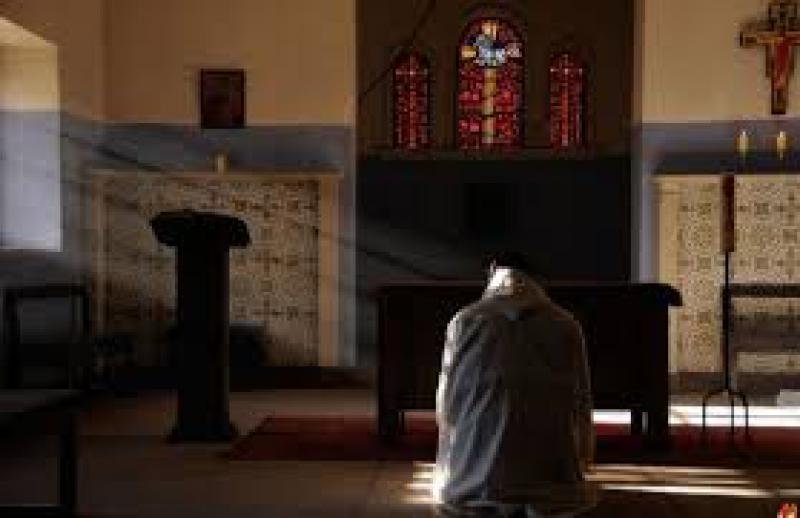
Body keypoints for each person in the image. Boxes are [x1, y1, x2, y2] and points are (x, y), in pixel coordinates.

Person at [432, 253, 595, 517]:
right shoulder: (565, 323)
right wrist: (582, 454)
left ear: (492, 273)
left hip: (476, 473)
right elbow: (580, 399)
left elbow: (449, 400)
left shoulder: (465, 320)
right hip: (549, 463)